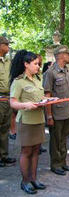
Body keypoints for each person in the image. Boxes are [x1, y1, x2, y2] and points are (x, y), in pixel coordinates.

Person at [9, 50, 46, 194]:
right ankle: (25, 181)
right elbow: (13, 103)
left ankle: (34, 179)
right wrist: (25, 105)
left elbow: (40, 96)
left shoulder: (38, 79)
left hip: (39, 119)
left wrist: (44, 101)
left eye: (38, 64)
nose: (38, 66)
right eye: (35, 64)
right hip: (26, 122)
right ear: (26, 64)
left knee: (36, 150)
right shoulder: (19, 82)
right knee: (26, 151)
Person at [44, 45, 69, 175]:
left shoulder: (67, 71)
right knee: (56, 139)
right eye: (68, 54)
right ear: (61, 56)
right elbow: (47, 95)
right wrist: (49, 116)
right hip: (57, 113)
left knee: (63, 139)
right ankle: (55, 164)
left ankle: (63, 162)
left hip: (67, 112)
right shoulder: (51, 73)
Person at [0, 36, 16, 167]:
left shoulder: (8, 61)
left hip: (7, 98)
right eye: (6, 45)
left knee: (5, 129)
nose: (8, 47)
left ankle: (3, 155)